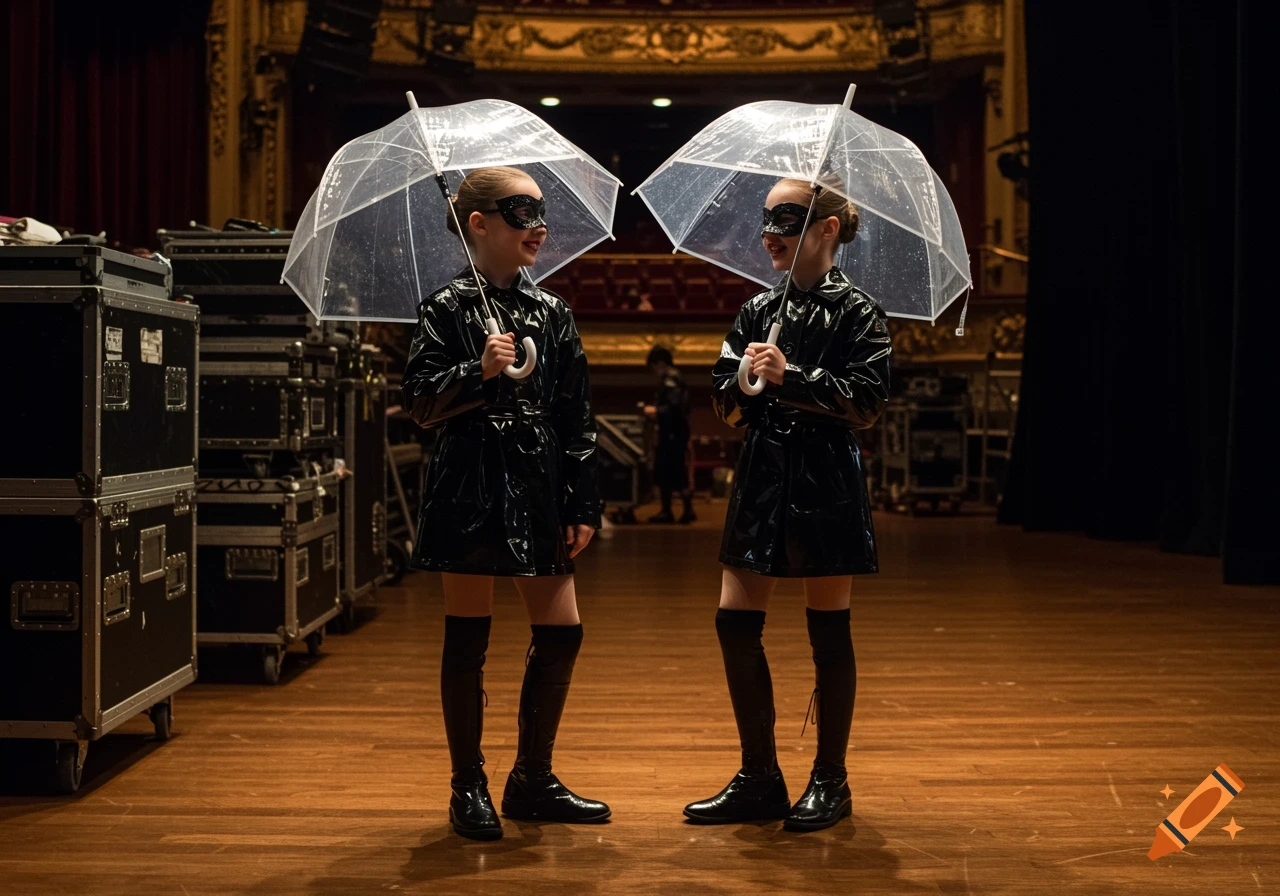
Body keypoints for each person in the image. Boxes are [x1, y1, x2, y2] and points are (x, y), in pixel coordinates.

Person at [403, 165, 610, 841]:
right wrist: (478, 370)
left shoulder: (553, 312)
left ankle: (532, 779)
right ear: (479, 223)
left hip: (537, 483)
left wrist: (582, 501)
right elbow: (420, 403)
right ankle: (468, 785)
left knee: (562, 630)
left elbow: (577, 415)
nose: (539, 227)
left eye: (542, 213)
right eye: (523, 213)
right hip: (468, 483)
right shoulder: (444, 308)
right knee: (468, 635)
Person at [683, 178, 891, 832]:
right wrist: (745, 383)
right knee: (734, 624)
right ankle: (759, 777)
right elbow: (725, 404)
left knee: (828, 630)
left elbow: (866, 403)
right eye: (767, 219)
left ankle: (831, 779)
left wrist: (791, 376)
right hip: (764, 473)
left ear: (827, 229)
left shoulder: (859, 312)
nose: (769, 233)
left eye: (788, 220)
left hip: (826, 477)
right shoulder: (756, 310)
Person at [643, 344, 695, 524]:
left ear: (660, 363)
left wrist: (656, 411)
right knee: (673, 471)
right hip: (674, 434)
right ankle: (679, 510)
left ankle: (674, 511)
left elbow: (674, 408)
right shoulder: (674, 379)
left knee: (671, 471)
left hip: (672, 435)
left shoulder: (671, 381)